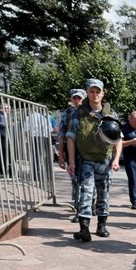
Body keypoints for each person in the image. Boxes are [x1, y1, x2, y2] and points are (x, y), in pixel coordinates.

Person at [65, 78, 121, 241]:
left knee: (103, 192)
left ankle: (102, 225)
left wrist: (116, 159)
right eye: (92, 91)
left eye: (98, 91)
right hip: (86, 158)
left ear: (103, 94)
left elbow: (118, 139)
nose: (95, 94)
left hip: (105, 160)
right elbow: (71, 137)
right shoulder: (78, 113)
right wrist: (72, 161)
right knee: (86, 192)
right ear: (87, 92)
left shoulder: (111, 114)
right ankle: (84, 228)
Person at [58, 89, 86, 221]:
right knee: (76, 181)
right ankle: (79, 209)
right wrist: (61, 155)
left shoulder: (89, 112)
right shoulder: (67, 113)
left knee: (88, 181)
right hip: (72, 151)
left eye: (79, 98)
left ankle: (87, 205)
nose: (77, 101)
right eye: (75, 98)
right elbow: (62, 135)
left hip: (87, 151)